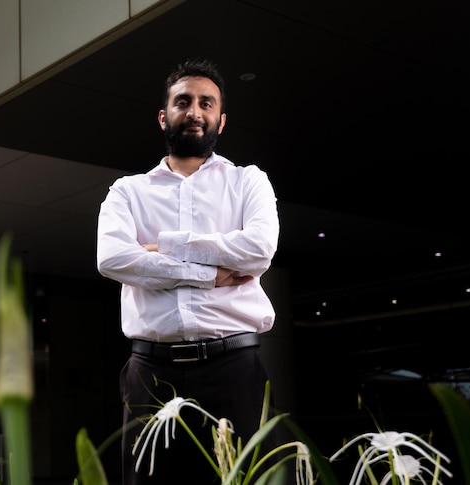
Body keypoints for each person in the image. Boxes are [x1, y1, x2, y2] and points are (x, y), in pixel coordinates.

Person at [96, 58, 280, 484]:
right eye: (183, 102)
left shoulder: (248, 182)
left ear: (221, 119)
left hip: (233, 368)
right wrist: (209, 274)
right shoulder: (128, 190)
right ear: (164, 116)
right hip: (150, 373)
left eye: (206, 103)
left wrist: (168, 247)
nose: (194, 111)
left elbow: (257, 251)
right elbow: (113, 259)